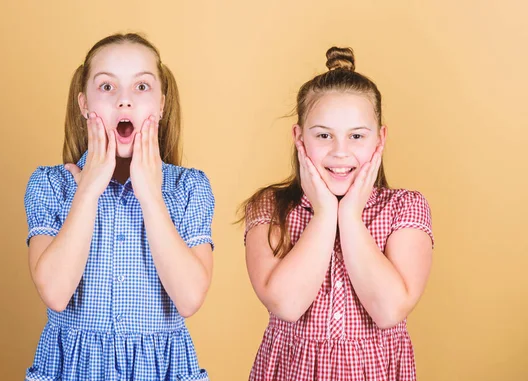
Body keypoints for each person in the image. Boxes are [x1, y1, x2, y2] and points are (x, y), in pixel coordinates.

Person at [23, 33, 214, 381]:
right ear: (84, 104)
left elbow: (188, 299)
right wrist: (89, 189)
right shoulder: (50, 185)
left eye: (141, 87)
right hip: (74, 369)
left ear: (161, 104)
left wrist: (151, 196)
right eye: (107, 87)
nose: (124, 102)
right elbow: (55, 292)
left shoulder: (189, 188)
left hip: (161, 369)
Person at [241, 47, 434, 381]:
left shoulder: (406, 208)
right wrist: (324, 214)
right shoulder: (270, 208)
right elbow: (286, 305)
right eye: (323, 135)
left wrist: (350, 217)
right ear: (299, 137)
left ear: (380, 139)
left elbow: (388, 310)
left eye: (357, 136)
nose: (340, 152)